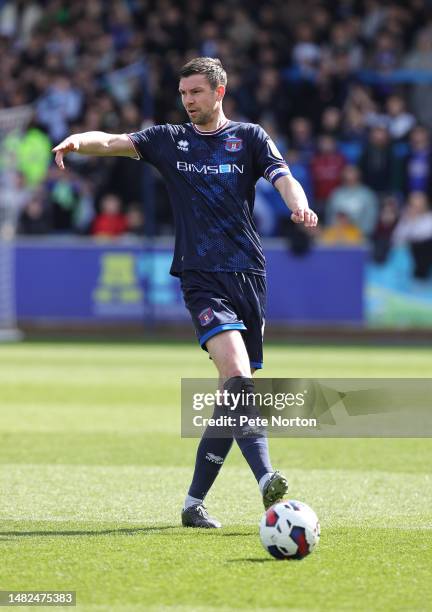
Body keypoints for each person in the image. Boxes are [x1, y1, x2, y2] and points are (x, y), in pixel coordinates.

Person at [52, 57, 318, 529]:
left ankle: (193, 503)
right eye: (183, 93)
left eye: (196, 92)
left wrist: (300, 207)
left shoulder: (250, 138)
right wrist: (79, 141)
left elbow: (283, 177)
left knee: (231, 396)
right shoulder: (168, 140)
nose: (188, 101)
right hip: (200, 277)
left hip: (248, 274)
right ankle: (266, 478)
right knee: (237, 373)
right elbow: (114, 141)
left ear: (220, 92)